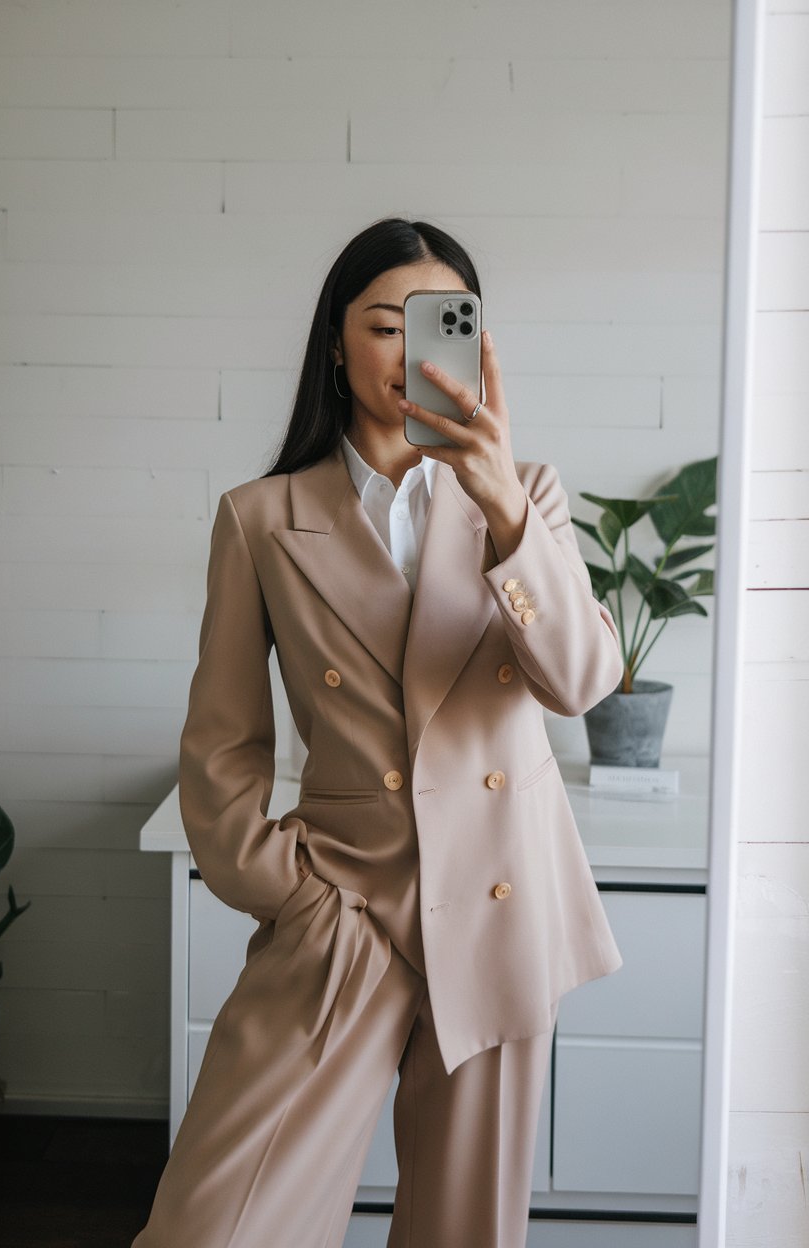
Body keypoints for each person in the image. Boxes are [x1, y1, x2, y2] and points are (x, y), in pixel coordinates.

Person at [131, 217, 624, 1248]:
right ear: (335, 344)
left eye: (441, 324)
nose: (411, 352)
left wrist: (502, 507)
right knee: (215, 1226)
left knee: (462, 1232)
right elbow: (221, 749)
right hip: (343, 911)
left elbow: (581, 682)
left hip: (496, 905)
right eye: (386, 325)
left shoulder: (526, 497)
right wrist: (293, 892)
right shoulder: (260, 518)